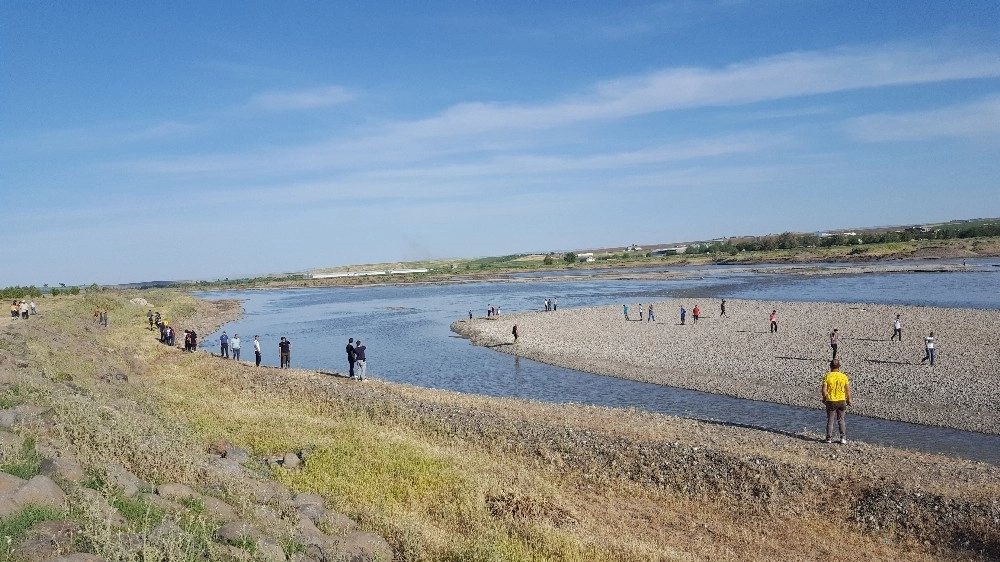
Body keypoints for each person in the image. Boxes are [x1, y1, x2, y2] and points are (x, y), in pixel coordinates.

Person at [821, 359, 852, 444]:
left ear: (830, 366)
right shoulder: (843, 376)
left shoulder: (827, 376)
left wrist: (824, 399)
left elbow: (824, 390)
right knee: (841, 420)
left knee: (830, 420)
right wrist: (849, 400)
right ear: (839, 367)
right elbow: (848, 390)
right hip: (841, 400)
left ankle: (828, 438)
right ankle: (843, 438)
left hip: (831, 401)